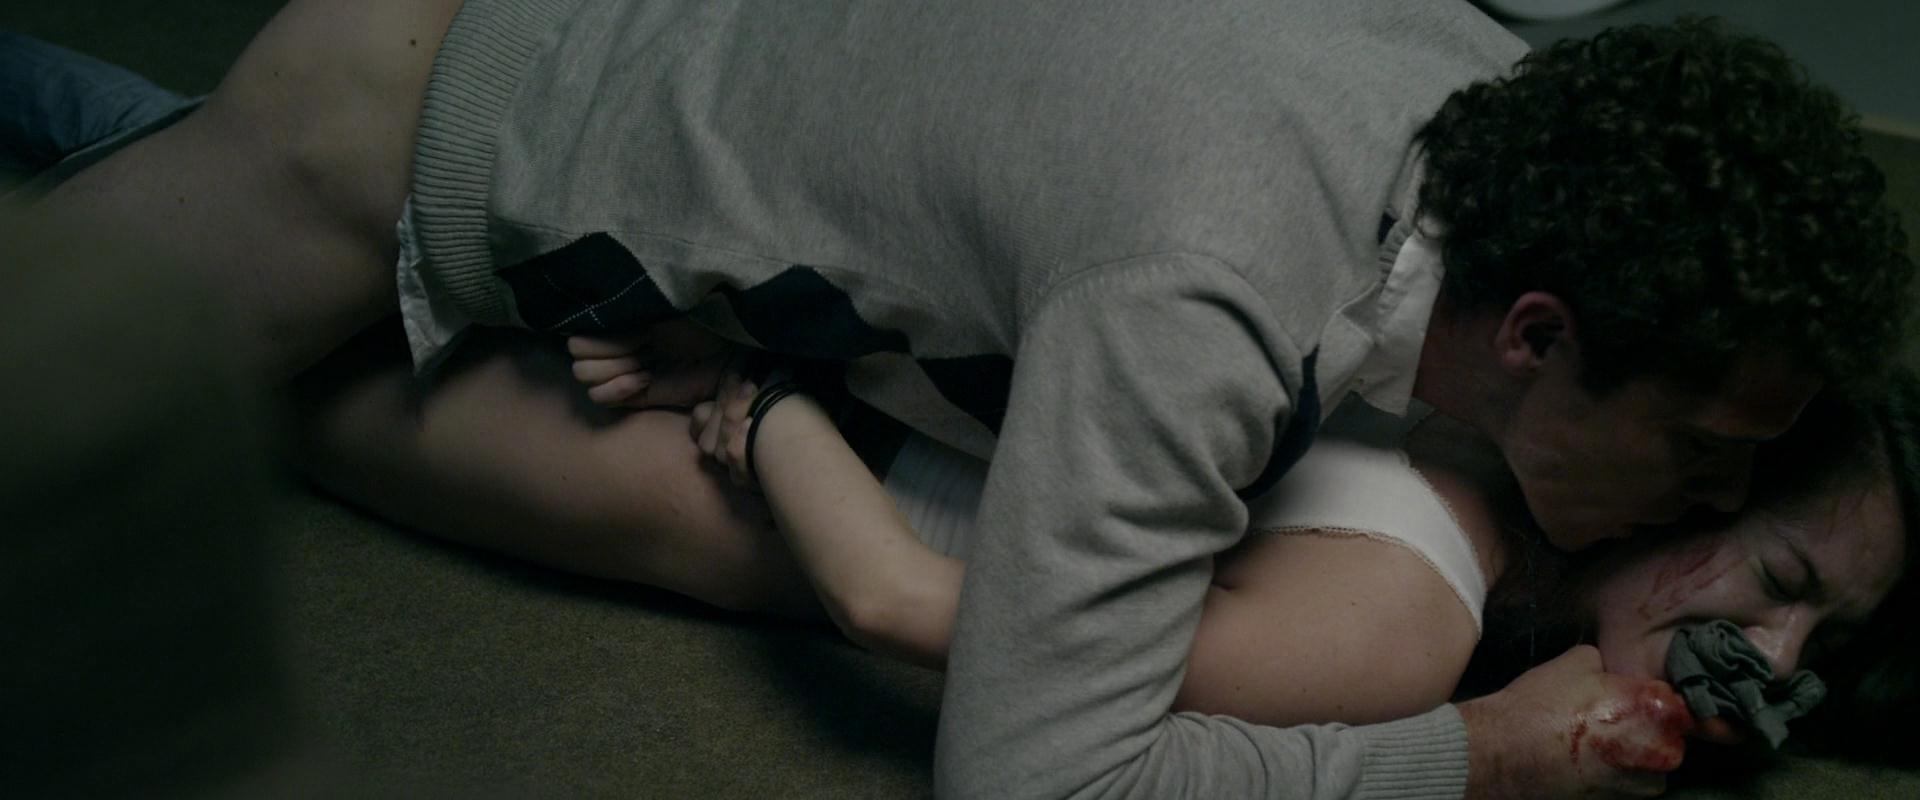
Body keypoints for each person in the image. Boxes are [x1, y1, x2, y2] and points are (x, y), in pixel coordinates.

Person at [16, 2, 1913, 797]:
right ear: (1538, 337)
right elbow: (1041, 777)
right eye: (1707, 456)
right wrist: (1468, 755)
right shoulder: (1214, 293)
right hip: (405, 130)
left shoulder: (1480, 98)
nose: (1701, 501)